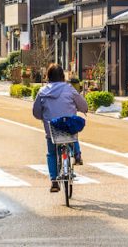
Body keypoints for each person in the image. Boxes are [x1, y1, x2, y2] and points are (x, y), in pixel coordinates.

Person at [33, 63, 88, 192]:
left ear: (48, 76)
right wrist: (82, 109)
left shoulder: (42, 91)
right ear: (62, 76)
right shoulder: (69, 89)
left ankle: (54, 181)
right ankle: (77, 154)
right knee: (72, 129)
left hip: (51, 129)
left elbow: (36, 112)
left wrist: (43, 117)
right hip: (68, 127)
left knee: (51, 153)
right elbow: (82, 105)